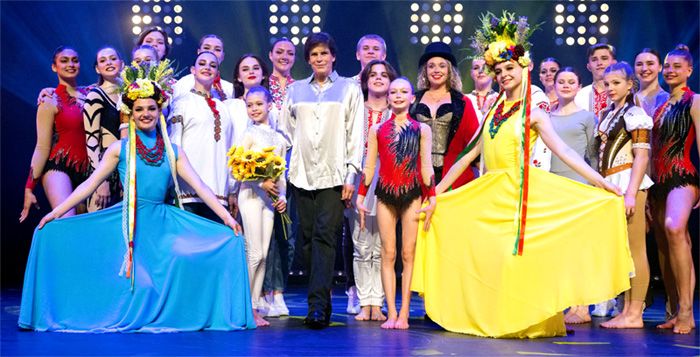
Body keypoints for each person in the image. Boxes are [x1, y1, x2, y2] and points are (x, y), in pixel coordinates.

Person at [411, 11, 633, 338]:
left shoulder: (534, 113)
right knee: (488, 255)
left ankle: (523, 318)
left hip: (519, 193)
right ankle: (492, 315)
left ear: (524, 68)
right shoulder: (492, 113)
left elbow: (565, 151)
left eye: (509, 69)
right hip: (490, 192)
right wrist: (437, 194)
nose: (503, 75)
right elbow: (465, 157)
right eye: (498, 71)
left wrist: (601, 182)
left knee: (516, 259)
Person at [18, 62, 255, 332]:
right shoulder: (120, 149)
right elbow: (89, 185)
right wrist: (54, 213)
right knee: (135, 284)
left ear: (159, 110)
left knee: (215, 247)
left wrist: (226, 218)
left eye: (151, 108)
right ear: (131, 113)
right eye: (139, 109)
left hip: (163, 223)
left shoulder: (173, 150)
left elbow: (200, 186)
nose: (145, 114)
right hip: (130, 224)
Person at [278, 32, 364, 329]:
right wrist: (282, 169)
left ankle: (317, 306)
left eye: (324, 53)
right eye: (314, 55)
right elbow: (283, 133)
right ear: (308, 59)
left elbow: (356, 133)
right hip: (301, 175)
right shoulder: (296, 90)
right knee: (305, 240)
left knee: (325, 236)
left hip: (334, 174)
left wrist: (351, 174)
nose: (319, 59)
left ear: (333, 56)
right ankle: (321, 299)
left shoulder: (349, 89)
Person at [357, 77, 436, 330]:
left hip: (412, 194)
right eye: (394, 92)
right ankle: (390, 311)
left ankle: (404, 313)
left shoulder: (422, 130)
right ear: (388, 98)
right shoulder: (377, 130)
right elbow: (369, 166)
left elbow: (425, 166)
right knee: (388, 253)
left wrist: (431, 196)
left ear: (412, 98)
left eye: (404, 92)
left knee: (408, 253)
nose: (398, 95)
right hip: (386, 195)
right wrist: (360, 195)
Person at [595, 62, 654, 329]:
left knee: (635, 249)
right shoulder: (610, 113)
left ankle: (635, 312)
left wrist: (631, 193)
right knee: (622, 251)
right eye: (607, 84)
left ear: (630, 84)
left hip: (629, 183)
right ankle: (626, 309)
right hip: (611, 184)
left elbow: (642, 154)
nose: (610, 88)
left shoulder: (635, 113)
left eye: (616, 83)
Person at [650, 44, 699, 335]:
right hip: (659, 182)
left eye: (676, 66)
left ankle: (687, 312)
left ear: (689, 70)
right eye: (667, 66)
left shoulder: (695, 102)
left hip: (682, 176)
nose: (670, 70)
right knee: (666, 247)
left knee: (674, 228)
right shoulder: (660, 107)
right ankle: (676, 310)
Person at [547, 67, 599, 325]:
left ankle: (581, 306)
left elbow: (593, 154)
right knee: (558, 249)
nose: (566, 85)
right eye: (561, 82)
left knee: (577, 248)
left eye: (571, 82)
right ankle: (560, 301)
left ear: (579, 86)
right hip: (552, 185)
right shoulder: (546, 117)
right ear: (554, 85)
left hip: (578, 186)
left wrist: (597, 184)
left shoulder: (587, 117)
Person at [238, 86, 289, 327]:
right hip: (250, 194)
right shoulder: (248, 134)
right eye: (250, 105)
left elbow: (282, 175)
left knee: (265, 254)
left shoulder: (279, 139)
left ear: (269, 105)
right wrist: (261, 181)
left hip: (268, 200)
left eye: (259, 104)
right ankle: (245, 307)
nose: (254, 109)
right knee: (254, 253)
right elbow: (235, 168)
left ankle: (256, 307)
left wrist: (283, 197)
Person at [351, 59, 398, 321]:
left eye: (384, 75)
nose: (378, 78)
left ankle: (377, 303)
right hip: (359, 177)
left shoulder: (398, 112)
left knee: (382, 244)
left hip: (387, 180)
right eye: (373, 74)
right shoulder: (356, 110)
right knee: (361, 243)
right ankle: (363, 300)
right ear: (366, 80)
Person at [20, 46, 89, 223]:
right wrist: (29, 188)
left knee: (86, 227)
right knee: (68, 224)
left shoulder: (92, 94)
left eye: (75, 60)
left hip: (89, 170)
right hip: (58, 167)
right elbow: (42, 146)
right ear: (54, 66)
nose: (70, 64)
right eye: (64, 61)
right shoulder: (49, 99)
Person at [169, 51, 236, 221]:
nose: (207, 67)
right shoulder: (182, 102)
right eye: (202, 63)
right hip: (188, 192)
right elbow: (174, 145)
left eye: (213, 65)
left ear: (217, 73)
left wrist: (232, 189)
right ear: (193, 70)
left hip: (219, 193)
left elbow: (230, 149)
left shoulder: (224, 108)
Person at [410, 41, 481, 189]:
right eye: (431, 66)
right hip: (417, 179)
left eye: (442, 66)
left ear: (449, 70)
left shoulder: (463, 102)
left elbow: (474, 143)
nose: (436, 70)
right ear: (425, 70)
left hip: (455, 179)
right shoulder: (413, 101)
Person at [262, 37, 296, 318]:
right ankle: (265, 291)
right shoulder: (262, 89)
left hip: (295, 165)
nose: (284, 56)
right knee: (266, 232)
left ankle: (280, 290)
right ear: (270, 55)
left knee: (287, 230)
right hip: (265, 167)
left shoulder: (299, 89)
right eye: (280, 52)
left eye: (290, 53)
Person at [83, 46, 124, 212]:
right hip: (105, 169)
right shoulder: (95, 95)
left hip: (126, 169)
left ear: (122, 63)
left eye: (113, 58)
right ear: (97, 68)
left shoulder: (131, 93)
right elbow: (91, 139)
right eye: (103, 60)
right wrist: (101, 180)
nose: (109, 62)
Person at [172, 34, 234, 103]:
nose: (211, 52)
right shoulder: (184, 83)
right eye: (207, 48)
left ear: (222, 56)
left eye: (217, 49)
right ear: (198, 52)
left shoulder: (230, 89)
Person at [226, 54, 270, 145]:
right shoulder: (228, 107)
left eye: (256, 68)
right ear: (238, 77)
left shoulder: (273, 109)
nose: (251, 72)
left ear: (263, 75)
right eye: (245, 69)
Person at [575, 43, 617, 120]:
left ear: (614, 63)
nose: (599, 63)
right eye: (594, 60)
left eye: (604, 58)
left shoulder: (622, 93)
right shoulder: (580, 95)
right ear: (588, 66)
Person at [634, 48, 669, 117]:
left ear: (660, 67)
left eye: (650, 64)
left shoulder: (668, 100)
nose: (644, 69)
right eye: (639, 64)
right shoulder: (628, 100)